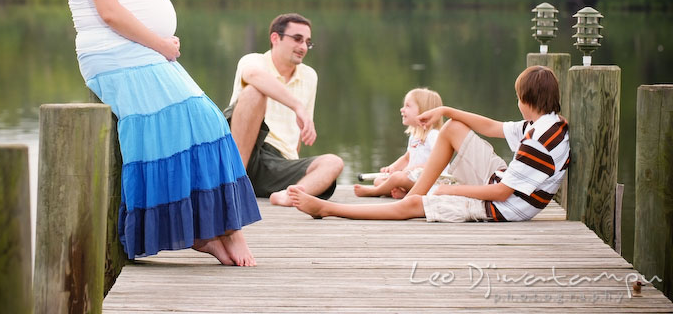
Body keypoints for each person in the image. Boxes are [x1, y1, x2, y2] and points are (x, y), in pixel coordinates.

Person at [58, 0, 260, 266]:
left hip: (139, 51)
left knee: (204, 120)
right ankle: (215, 232)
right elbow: (109, 12)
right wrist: (160, 43)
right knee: (195, 121)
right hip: (113, 53)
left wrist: (155, 43)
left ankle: (213, 232)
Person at [289, 65, 569, 224]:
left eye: (518, 98)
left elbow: (500, 193)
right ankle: (419, 193)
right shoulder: (547, 123)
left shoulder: (537, 142)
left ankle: (328, 208)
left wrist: (450, 190)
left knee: (410, 209)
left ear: (526, 100)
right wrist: (445, 110)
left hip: (503, 208)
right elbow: (492, 127)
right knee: (453, 128)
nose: (517, 103)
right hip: (504, 185)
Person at [224, 13, 344, 207]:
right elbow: (253, 75)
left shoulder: (309, 76)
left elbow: (298, 134)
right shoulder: (253, 61)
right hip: (239, 152)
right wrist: (297, 106)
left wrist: (294, 157)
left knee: (333, 162)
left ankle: (288, 197)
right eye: (297, 39)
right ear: (275, 38)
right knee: (254, 92)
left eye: (307, 42)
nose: (303, 47)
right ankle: (232, 185)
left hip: (277, 164)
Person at [354, 88, 445, 199]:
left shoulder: (434, 135)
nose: (402, 109)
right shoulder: (414, 136)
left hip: (429, 183)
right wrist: (393, 168)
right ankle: (406, 194)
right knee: (379, 180)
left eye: (407, 106)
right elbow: (407, 158)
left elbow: (439, 163)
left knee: (396, 179)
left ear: (423, 111)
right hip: (413, 180)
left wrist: (415, 169)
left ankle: (374, 192)